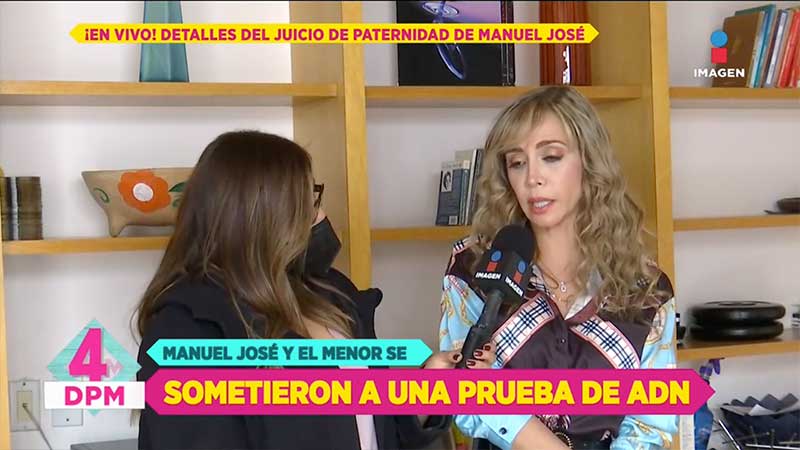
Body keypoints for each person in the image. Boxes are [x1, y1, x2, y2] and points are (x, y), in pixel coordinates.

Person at [134, 130, 497, 450]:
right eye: (311, 203)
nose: (321, 218)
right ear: (266, 217)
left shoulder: (332, 294)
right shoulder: (187, 328)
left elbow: (377, 428)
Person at [438, 86, 678, 450]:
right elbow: (465, 397)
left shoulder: (646, 289)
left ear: (589, 163)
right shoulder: (473, 269)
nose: (532, 178)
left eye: (551, 157)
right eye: (517, 163)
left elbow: (651, 425)